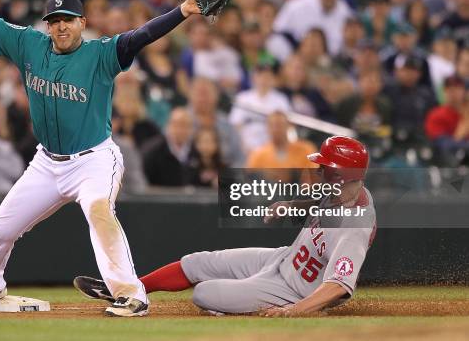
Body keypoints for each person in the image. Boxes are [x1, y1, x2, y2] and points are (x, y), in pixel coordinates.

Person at [0, 0, 202, 317]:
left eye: (67, 20)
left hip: (94, 159)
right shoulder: (29, 44)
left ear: (83, 23)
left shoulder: (101, 53)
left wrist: (181, 10)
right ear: (47, 26)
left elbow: (142, 35)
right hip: (46, 163)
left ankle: (132, 295)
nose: (60, 26)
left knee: (99, 209)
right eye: (54, 21)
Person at [75, 136, 376, 316]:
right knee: (197, 262)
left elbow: (338, 285)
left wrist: (294, 311)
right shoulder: (342, 187)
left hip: (293, 289)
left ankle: (238, 306)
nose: (319, 170)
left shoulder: (353, 228)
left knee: (204, 294)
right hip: (283, 258)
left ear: (340, 174)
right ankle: (130, 290)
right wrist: (290, 205)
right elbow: (317, 194)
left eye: (325, 167)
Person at [141, 107, 193, 187]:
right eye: (176, 124)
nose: (180, 130)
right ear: (168, 126)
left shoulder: (196, 151)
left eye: (184, 125)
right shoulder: (152, 150)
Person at [246, 111, 317, 169]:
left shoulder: (305, 150)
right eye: (272, 126)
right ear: (267, 128)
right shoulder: (258, 155)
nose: (276, 130)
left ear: (288, 126)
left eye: (279, 125)